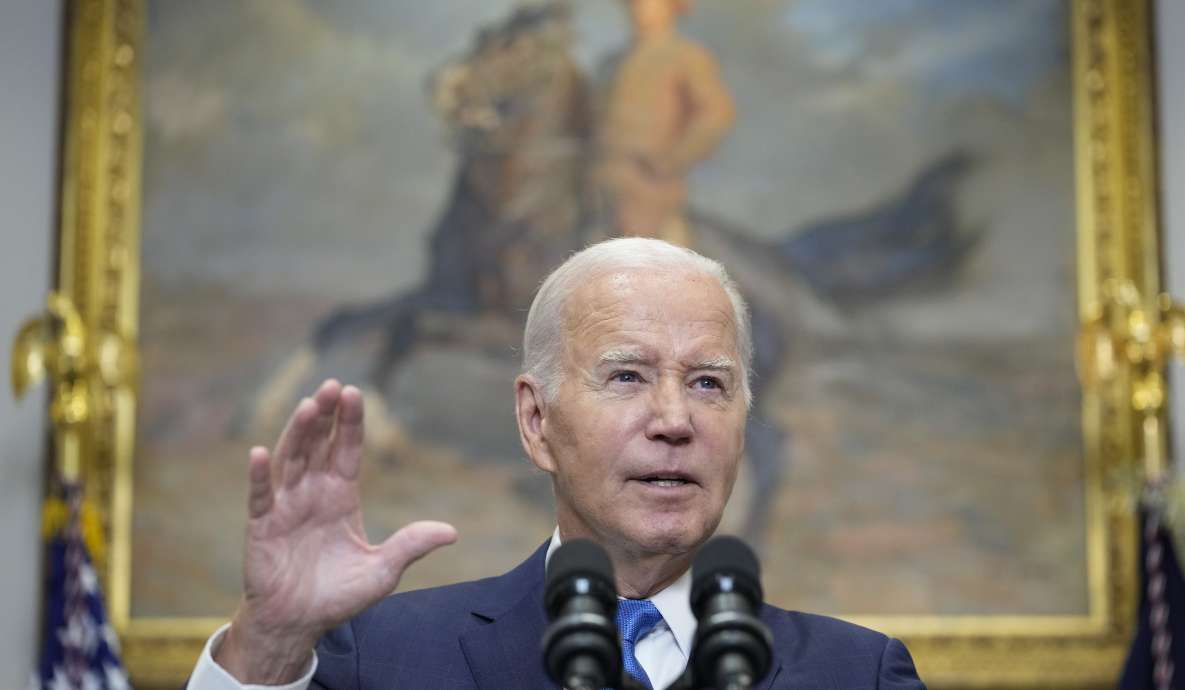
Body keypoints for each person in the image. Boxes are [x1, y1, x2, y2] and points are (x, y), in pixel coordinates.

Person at [186, 238, 924, 689]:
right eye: (627, 376)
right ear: (536, 422)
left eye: (709, 383)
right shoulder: (379, 661)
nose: (675, 421)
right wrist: (272, 643)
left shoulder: (859, 675)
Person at [594, 0, 735, 248]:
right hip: (599, 185)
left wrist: (672, 160)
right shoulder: (611, 62)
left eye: (650, 3)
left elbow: (716, 114)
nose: (640, 9)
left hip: (650, 187)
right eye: (634, 4)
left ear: (672, 7)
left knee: (645, 258)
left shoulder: (685, 56)